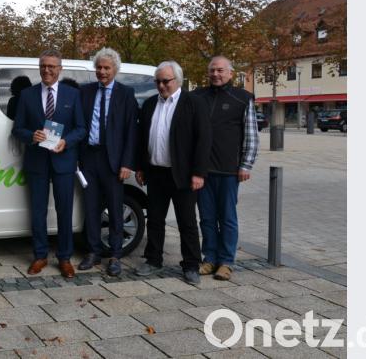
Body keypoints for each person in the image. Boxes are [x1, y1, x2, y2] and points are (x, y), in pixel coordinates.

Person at [134, 61, 211, 285]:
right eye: (157, 81)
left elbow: (204, 140)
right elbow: (142, 138)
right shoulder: (150, 104)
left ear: (177, 80)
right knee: (155, 219)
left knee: (186, 221)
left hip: (183, 174)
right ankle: (153, 259)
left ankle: (191, 265)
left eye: (165, 81)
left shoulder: (194, 103)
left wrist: (199, 173)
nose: (161, 85)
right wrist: (141, 166)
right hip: (156, 173)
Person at [12, 50, 86, 278]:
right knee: (38, 211)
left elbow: (81, 128)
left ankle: (65, 258)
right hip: (37, 161)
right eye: (43, 66)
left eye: (52, 66)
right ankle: (40, 255)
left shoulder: (73, 95)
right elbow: (17, 129)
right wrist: (31, 136)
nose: (47, 70)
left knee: (65, 211)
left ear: (60, 69)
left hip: (64, 161)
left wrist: (66, 141)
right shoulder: (27, 95)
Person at [192, 56, 259, 281]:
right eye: (212, 70)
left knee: (228, 218)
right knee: (207, 218)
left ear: (230, 73)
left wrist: (246, 164)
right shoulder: (197, 97)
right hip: (203, 171)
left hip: (229, 171)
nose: (216, 74)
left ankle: (226, 262)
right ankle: (209, 258)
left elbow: (251, 135)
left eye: (220, 70)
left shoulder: (242, 98)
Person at [77, 48, 138, 276]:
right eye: (99, 67)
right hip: (89, 157)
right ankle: (93, 251)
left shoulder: (126, 94)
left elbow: (131, 131)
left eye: (106, 68)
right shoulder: (85, 92)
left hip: (113, 160)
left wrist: (127, 163)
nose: (102, 72)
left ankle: (115, 255)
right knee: (91, 207)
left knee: (114, 208)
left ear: (115, 70)